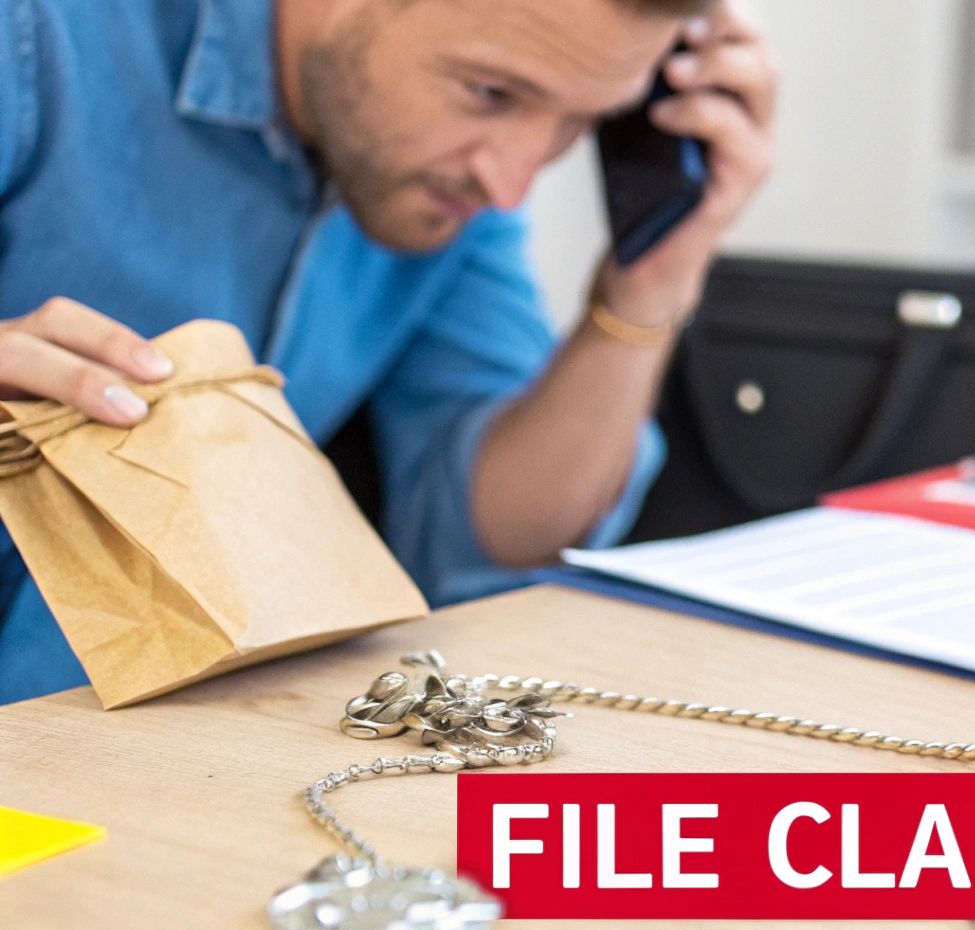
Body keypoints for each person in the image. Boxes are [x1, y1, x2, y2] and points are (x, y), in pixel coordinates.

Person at [0, 0, 777, 703]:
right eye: (491, 93)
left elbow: (492, 534)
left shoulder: (447, 193)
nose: (510, 183)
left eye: (581, 121)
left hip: (145, 757)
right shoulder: (35, 38)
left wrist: (648, 286)